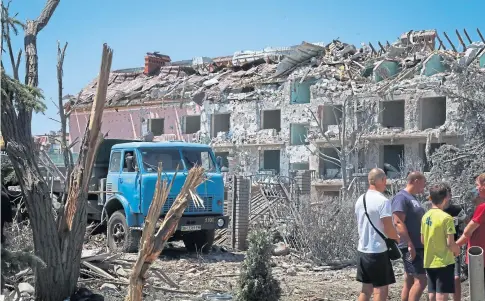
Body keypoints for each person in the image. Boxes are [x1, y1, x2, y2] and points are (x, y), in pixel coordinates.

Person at [355, 168, 399, 301]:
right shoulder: (382, 201)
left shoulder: (360, 199)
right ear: (381, 180)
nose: (386, 182)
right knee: (380, 290)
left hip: (363, 249)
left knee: (366, 290)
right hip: (378, 251)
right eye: (385, 179)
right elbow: (388, 227)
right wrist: (396, 237)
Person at [421, 183, 460, 301]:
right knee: (442, 294)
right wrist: (456, 251)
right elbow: (450, 243)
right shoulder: (446, 218)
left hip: (429, 261)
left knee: (432, 292)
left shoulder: (425, 216)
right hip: (444, 262)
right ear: (445, 198)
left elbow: (422, 240)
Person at [392, 172, 427, 301]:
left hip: (417, 244)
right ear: (416, 181)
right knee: (422, 280)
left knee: (410, 279)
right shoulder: (401, 197)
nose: (424, 186)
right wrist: (409, 244)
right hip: (410, 245)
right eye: (423, 183)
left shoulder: (413, 197)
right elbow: (398, 222)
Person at [442, 184, 467, 301]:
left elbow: (467, 223)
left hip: (453, 246)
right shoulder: (435, 210)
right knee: (441, 279)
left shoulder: (456, 209)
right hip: (439, 248)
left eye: (449, 194)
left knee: (456, 278)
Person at [456, 173, 485, 270]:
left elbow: (467, 231)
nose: (476, 188)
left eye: (478, 185)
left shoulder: (482, 208)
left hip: (478, 254)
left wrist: (454, 246)